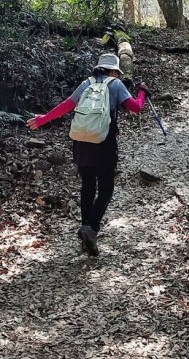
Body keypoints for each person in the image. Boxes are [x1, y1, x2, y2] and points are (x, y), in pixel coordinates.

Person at [27, 52, 147, 256]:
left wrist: (42, 119)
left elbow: (66, 106)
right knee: (106, 188)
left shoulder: (86, 84)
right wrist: (142, 92)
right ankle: (91, 229)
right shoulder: (116, 85)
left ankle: (86, 231)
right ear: (114, 71)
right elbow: (135, 108)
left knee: (88, 186)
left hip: (81, 142)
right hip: (104, 143)